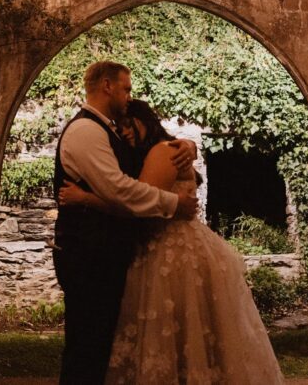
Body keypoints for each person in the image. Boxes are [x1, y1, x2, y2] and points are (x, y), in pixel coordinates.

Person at [60, 99, 284, 385]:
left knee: (178, 335)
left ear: (145, 122)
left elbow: (136, 206)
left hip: (171, 253)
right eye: (120, 127)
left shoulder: (162, 152)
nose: (125, 132)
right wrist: (190, 145)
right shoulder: (164, 150)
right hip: (169, 247)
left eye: (129, 124)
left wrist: (86, 199)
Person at [53, 61, 199, 385]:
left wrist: (190, 144)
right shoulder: (86, 131)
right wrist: (174, 204)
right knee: (86, 348)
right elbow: (119, 190)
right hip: (87, 254)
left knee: (97, 345)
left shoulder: (107, 131)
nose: (128, 97)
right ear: (107, 86)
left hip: (101, 255)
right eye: (126, 89)